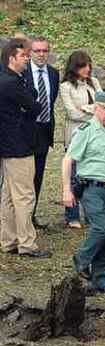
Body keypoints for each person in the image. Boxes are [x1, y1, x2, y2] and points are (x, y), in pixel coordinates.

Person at [62, 92, 105, 294]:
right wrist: (66, 190)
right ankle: (81, 258)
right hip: (91, 189)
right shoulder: (86, 131)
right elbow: (68, 160)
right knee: (102, 228)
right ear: (96, 109)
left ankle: (100, 279)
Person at [0, 39, 51, 258]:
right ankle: (27, 244)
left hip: (10, 145)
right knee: (24, 195)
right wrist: (28, 107)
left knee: (9, 195)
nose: (27, 59)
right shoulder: (10, 83)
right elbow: (35, 105)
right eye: (23, 56)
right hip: (19, 145)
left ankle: (8, 239)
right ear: (12, 58)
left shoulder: (11, 79)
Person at [60, 50, 102, 228]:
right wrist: (93, 111)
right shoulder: (66, 87)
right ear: (75, 67)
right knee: (74, 175)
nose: (88, 69)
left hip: (94, 134)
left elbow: (103, 105)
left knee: (91, 174)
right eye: (84, 66)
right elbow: (72, 113)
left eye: (89, 65)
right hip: (76, 135)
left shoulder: (94, 82)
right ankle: (72, 215)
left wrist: (85, 108)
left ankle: (91, 212)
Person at [23, 35, 59, 229]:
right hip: (26, 130)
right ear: (30, 53)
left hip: (44, 130)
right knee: (23, 177)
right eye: (37, 51)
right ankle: (20, 218)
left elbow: (51, 101)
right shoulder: (23, 72)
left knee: (38, 176)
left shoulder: (53, 73)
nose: (41, 54)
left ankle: (31, 214)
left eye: (44, 51)